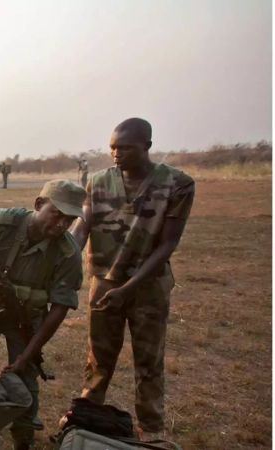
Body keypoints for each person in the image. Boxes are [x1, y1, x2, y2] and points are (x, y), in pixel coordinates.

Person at [73, 118, 194, 440]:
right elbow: (83, 227)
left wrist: (128, 288)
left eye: (125, 147)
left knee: (148, 359)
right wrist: (66, 259)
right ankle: (87, 413)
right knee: (99, 356)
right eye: (113, 147)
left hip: (148, 286)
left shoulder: (177, 184)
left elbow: (168, 243)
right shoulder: (98, 182)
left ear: (147, 147)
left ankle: (151, 429)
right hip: (104, 284)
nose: (116, 154)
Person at [0, 179, 86, 450]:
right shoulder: (1, 222)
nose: (61, 224)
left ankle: (23, 439)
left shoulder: (68, 253)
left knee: (25, 382)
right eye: (56, 214)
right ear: (38, 205)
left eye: (69, 220)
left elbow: (59, 309)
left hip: (25, 317)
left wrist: (27, 355)